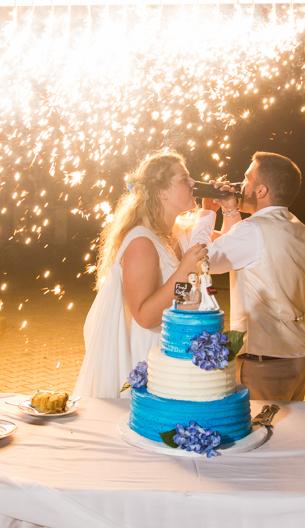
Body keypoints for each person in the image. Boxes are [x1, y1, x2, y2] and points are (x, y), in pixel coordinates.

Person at [74, 150, 209, 398]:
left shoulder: (177, 234)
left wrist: (223, 207)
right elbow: (145, 317)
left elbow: (229, 250)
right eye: (184, 179)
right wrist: (184, 271)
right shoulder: (141, 242)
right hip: (149, 355)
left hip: (176, 347)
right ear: (161, 192)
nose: (193, 183)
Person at [196, 152, 305, 401]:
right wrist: (230, 209)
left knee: (257, 426)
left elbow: (201, 259)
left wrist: (207, 211)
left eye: (246, 178)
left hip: (263, 366)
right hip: (299, 361)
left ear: (261, 190)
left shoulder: (252, 230)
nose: (240, 184)